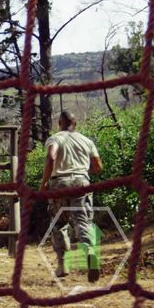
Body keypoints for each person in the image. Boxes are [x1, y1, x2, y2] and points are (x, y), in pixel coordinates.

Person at [39, 111, 103, 281]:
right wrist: (82, 171)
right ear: (75, 124)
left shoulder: (55, 139)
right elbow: (98, 166)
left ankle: (63, 265)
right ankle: (89, 250)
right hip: (81, 182)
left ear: (60, 123)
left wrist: (44, 183)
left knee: (59, 223)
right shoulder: (86, 141)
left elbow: (51, 157)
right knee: (83, 221)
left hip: (59, 183)